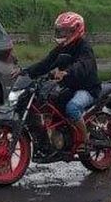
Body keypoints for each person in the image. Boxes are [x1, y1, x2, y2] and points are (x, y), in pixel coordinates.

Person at [20, 12, 100, 150]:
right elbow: (46, 63)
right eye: (60, 30)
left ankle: (84, 140)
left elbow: (83, 65)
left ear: (75, 30)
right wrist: (25, 71)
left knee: (72, 108)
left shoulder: (84, 47)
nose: (62, 33)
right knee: (49, 102)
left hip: (87, 88)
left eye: (65, 30)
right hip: (69, 87)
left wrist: (67, 72)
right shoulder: (61, 48)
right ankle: (59, 137)